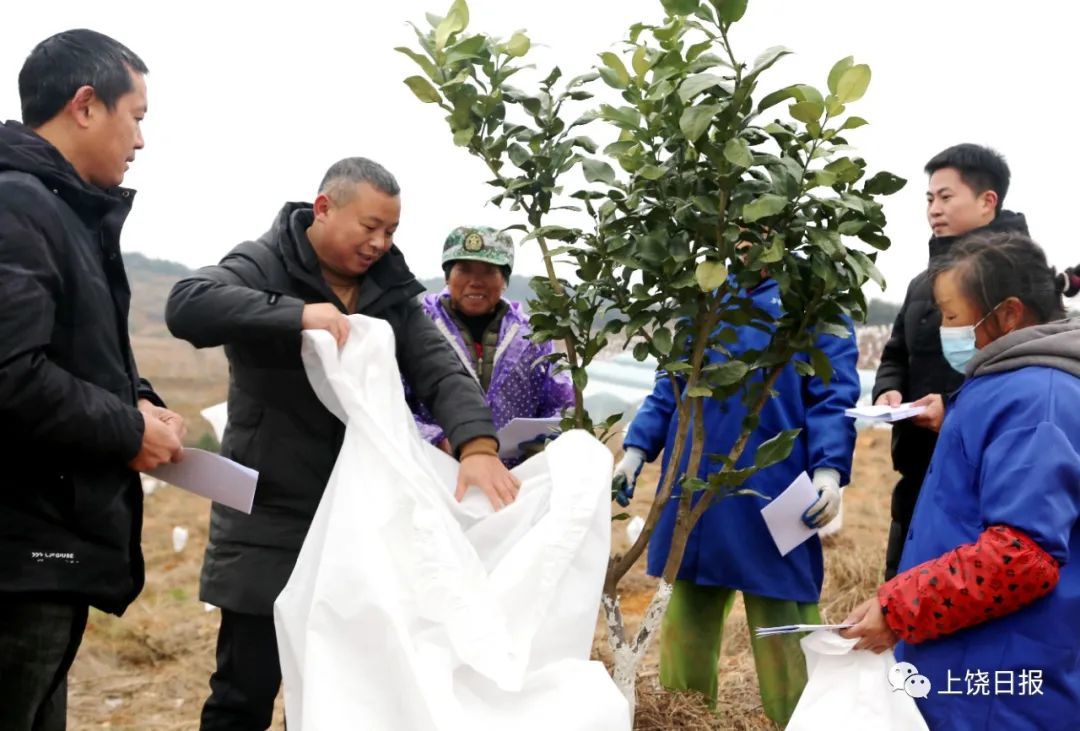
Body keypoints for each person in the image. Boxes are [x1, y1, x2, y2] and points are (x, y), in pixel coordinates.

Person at [165, 157, 520, 731]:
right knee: (244, 689)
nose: (379, 243)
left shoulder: (389, 289)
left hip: (359, 520)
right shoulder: (264, 262)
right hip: (269, 515)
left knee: (342, 688)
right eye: (369, 227)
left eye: (392, 232)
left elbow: (439, 369)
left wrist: (477, 443)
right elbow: (189, 304)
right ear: (324, 208)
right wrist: (295, 314)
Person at [0, 30, 185, 731]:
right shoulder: (19, 206)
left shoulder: (62, 212)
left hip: (42, 548)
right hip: (21, 555)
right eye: (135, 115)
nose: (140, 138)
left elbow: (73, 356)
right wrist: (125, 429)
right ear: (85, 105)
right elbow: (9, 374)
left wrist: (137, 400)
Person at [843, 231, 1080, 730]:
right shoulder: (1009, 382)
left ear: (1009, 314)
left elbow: (1021, 557)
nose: (945, 329)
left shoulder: (1040, 400)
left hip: (999, 679)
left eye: (952, 317)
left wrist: (900, 606)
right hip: (965, 655)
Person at [611, 273, 860, 726]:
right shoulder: (703, 294)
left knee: (783, 615)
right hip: (694, 482)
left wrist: (829, 469)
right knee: (687, 607)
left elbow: (833, 395)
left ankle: (799, 721)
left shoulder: (812, 295)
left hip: (775, 484)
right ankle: (682, 717)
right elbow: (670, 386)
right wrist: (635, 451)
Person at [873, 143, 1029, 580]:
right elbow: (896, 352)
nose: (934, 209)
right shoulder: (922, 282)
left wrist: (956, 410)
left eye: (945, 197)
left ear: (987, 201)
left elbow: (1022, 372)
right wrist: (889, 389)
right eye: (929, 199)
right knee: (904, 594)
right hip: (918, 468)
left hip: (983, 474)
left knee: (964, 596)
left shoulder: (1018, 280)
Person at [409, 226, 574, 464]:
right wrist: (437, 440)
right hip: (434, 473)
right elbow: (391, 402)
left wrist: (544, 441)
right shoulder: (418, 328)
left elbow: (561, 405)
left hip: (513, 480)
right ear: (447, 276)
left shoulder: (532, 337)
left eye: (488, 271)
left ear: (504, 280)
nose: (475, 282)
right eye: (464, 270)